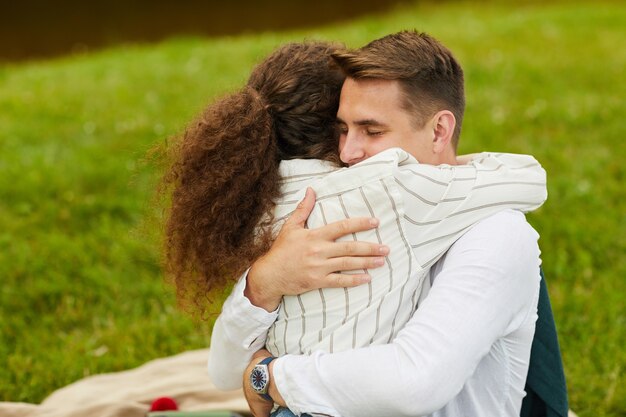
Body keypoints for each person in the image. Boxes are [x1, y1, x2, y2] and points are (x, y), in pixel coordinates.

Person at [207, 31, 547, 417]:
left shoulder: (496, 232)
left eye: (372, 132)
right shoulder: (338, 212)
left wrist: (270, 376)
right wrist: (265, 281)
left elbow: (411, 385)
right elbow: (222, 368)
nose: (347, 152)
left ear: (439, 131)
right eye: (342, 130)